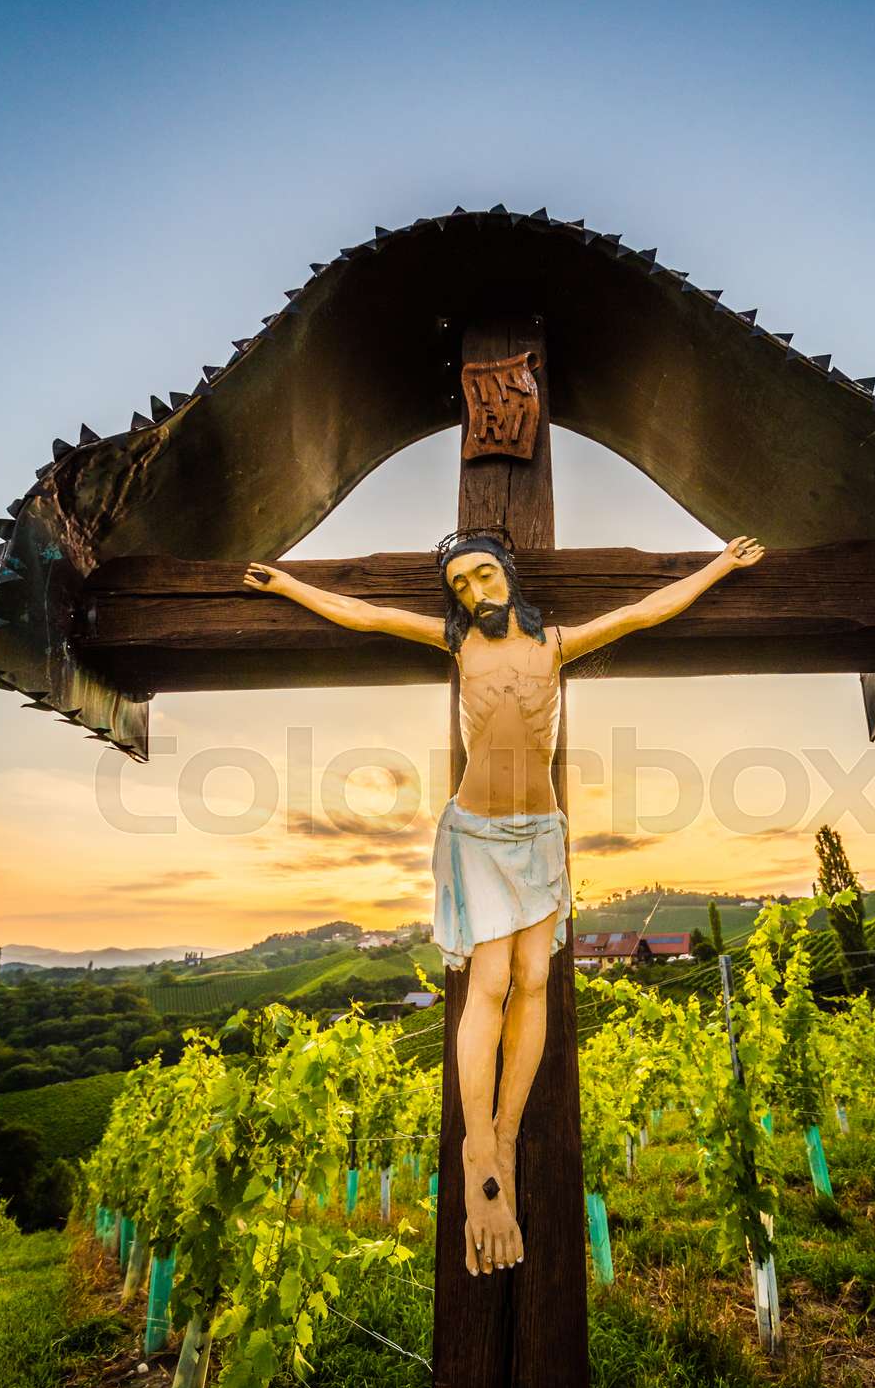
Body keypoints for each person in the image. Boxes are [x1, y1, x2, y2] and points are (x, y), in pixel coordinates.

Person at [243, 528, 764, 1276]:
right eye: (459, 585)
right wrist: (290, 587)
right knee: (487, 985)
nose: (474, 592)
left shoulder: (555, 642)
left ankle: (506, 1136)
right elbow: (363, 615)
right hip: (479, 836)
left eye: (483, 575)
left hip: (541, 835)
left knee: (533, 982)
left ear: (509, 574)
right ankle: (475, 1146)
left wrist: (718, 566)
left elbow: (646, 613)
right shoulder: (458, 647)